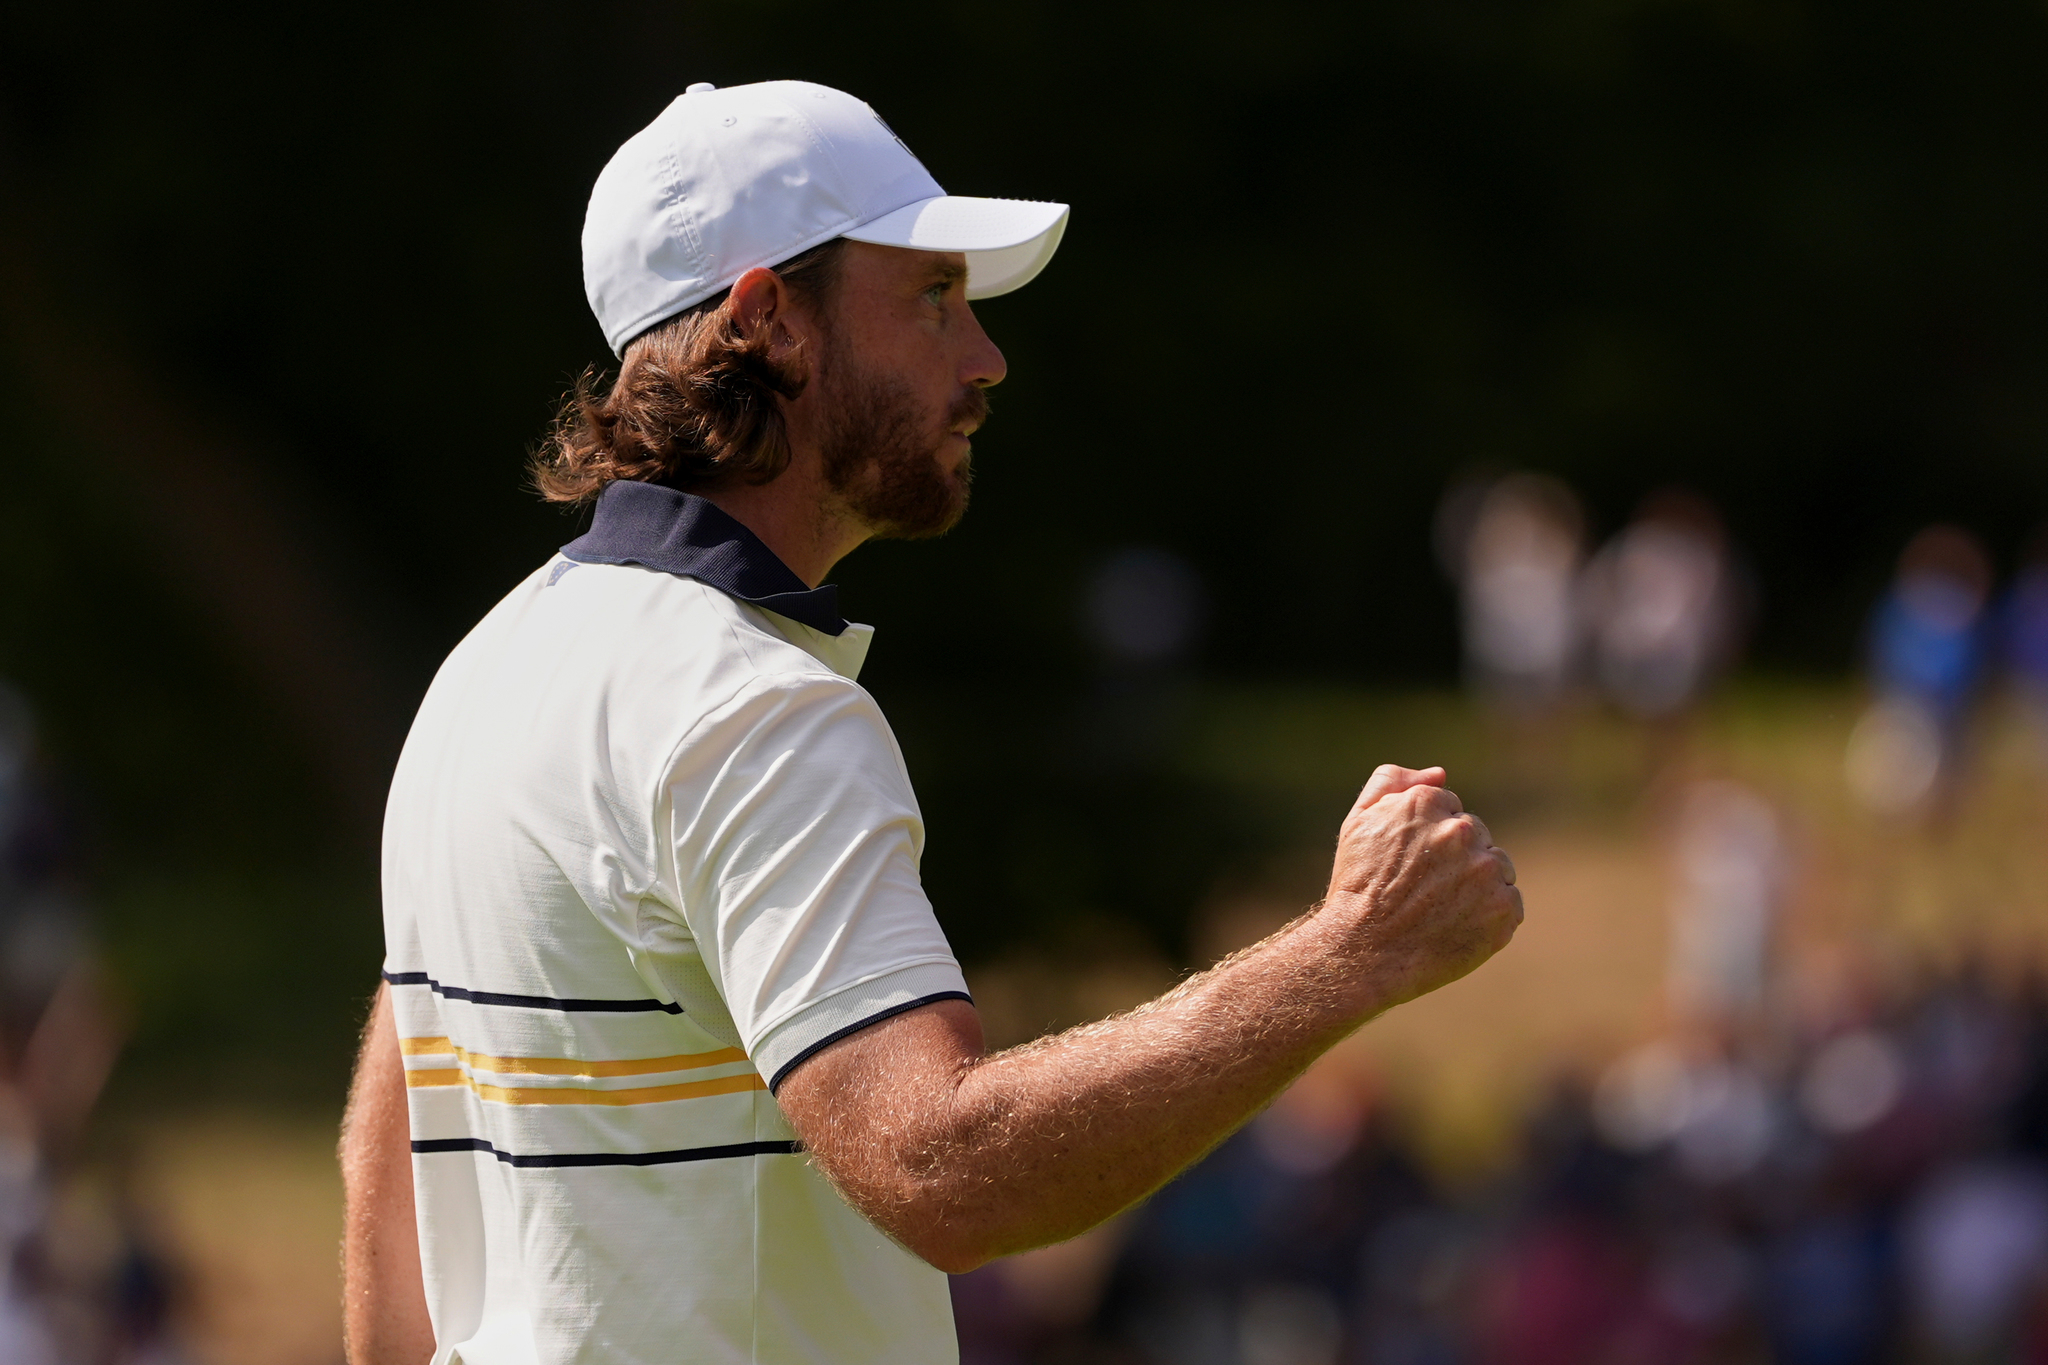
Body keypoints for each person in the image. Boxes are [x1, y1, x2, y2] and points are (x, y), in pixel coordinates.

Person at [338, 79, 1523, 1365]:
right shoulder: (748, 706)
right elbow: (940, 1165)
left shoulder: (487, 670)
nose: (984, 358)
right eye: (931, 299)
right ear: (768, 322)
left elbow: (390, 1128)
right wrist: (1352, 951)